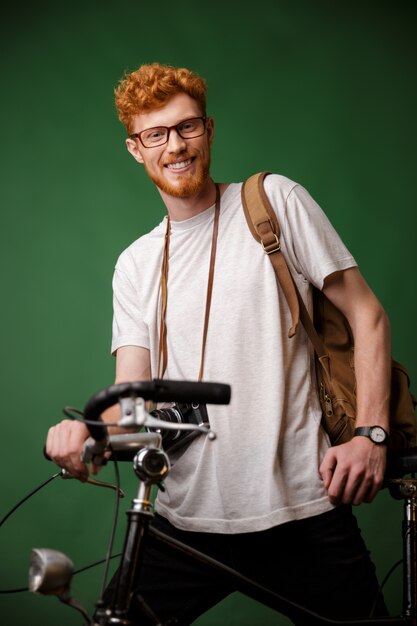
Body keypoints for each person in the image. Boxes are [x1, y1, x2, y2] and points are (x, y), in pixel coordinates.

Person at [46, 62, 391, 624]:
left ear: (209, 129)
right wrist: (87, 432)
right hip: (182, 522)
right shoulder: (134, 265)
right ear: (136, 149)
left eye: (186, 127)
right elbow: (134, 399)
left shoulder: (274, 203)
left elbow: (368, 314)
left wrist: (369, 434)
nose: (175, 146)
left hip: (302, 512)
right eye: (156, 134)